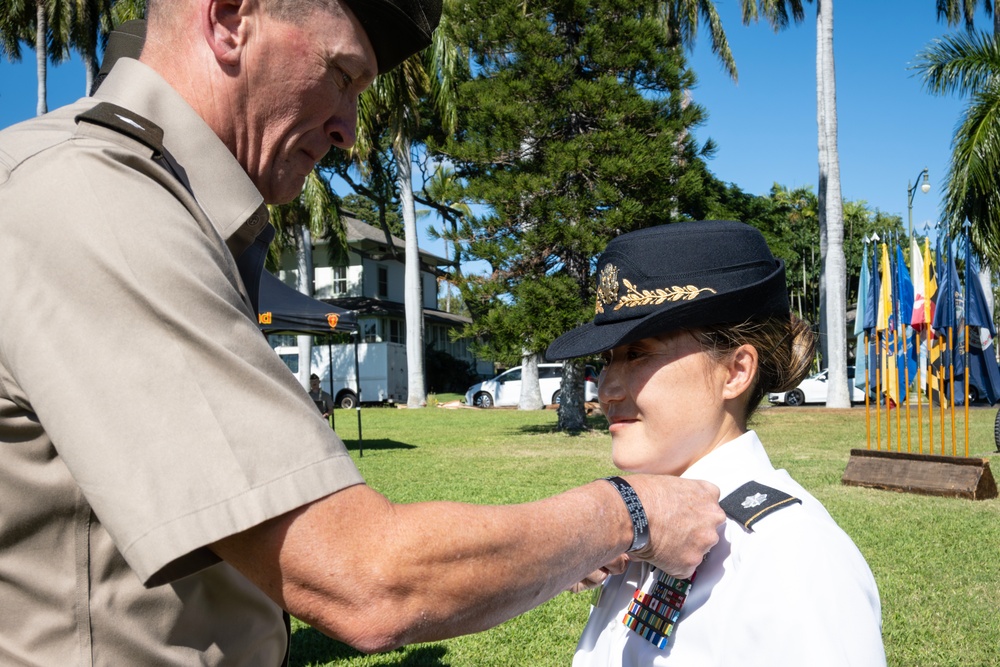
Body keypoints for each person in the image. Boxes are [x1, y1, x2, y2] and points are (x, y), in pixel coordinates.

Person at [0, 1, 726, 663]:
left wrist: (560, 546)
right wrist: (628, 513)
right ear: (228, 20)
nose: (348, 130)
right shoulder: (96, 200)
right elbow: (365, 579)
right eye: (341, 73)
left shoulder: (151, 202)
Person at [546, 221, 886, 666]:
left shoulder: (790, 557)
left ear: (736, 372)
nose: (606, 388)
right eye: (607, 359)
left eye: (638, 353)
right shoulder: (641, 531)